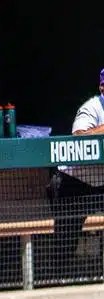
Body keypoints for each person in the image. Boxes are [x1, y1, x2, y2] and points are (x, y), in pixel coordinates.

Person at [46, 67, 104, 278]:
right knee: (67, 235)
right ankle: (58, 278)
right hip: (73, 183)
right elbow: (79, 137)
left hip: (100, 184)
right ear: (102, 87)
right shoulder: (92, 107)